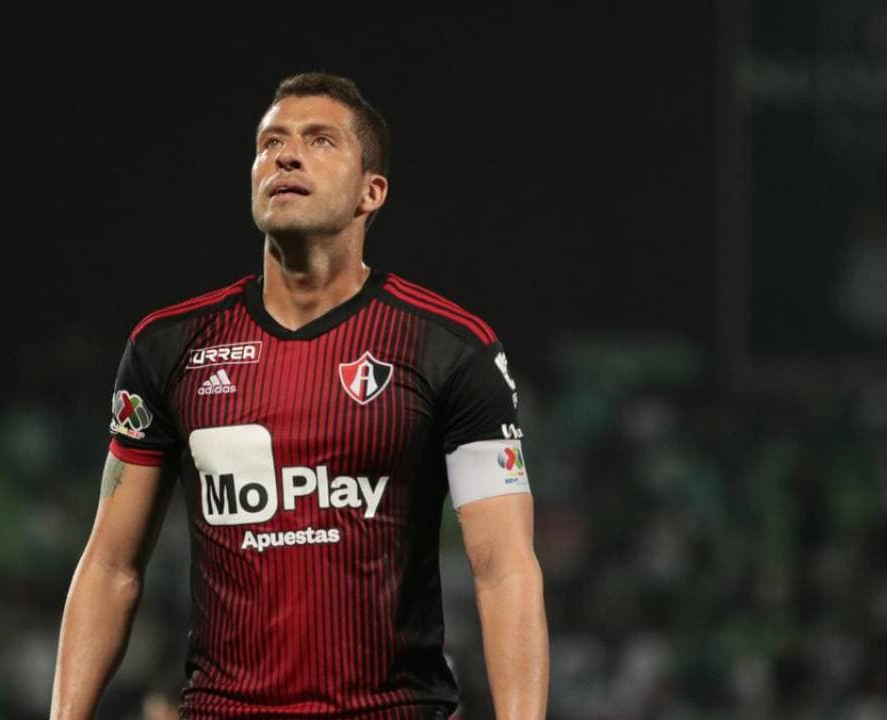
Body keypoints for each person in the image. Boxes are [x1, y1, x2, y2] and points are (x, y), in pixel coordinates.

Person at [50, 72, 548, 719]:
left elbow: (505, 569)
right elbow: (112, 565)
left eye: (320, 141)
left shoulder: (451, 347)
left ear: (372, 191)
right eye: (271, 142)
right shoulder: (167, 347)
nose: (285, 156)